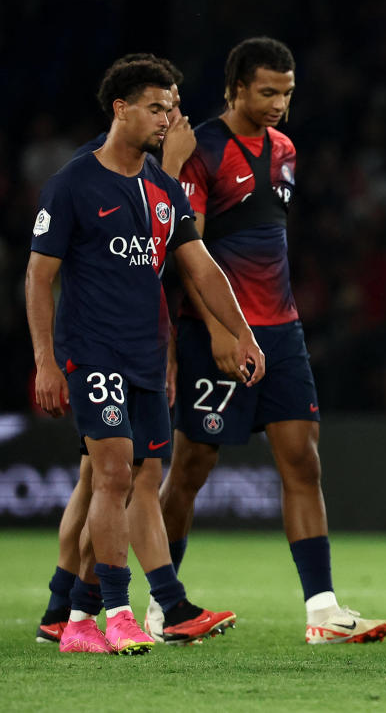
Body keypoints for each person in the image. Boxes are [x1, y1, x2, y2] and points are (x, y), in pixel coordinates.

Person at [157, 37, 386, 644]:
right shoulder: (204, 149)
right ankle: (163, 604)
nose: (279, 104)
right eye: (267, 92)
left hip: (281, 333)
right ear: (235, 87)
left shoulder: (285, 149)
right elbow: (190, 253)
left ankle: (322, 611)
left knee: (303, 462)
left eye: (286, 93)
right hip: (219, 333)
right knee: (190, 467)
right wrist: (216, 331)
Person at [27, 57, 265, 654]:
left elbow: (201, 268)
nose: (168, 119)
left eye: (172, 108)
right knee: (109, 476)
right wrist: (45, 361)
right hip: (93, 353)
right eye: (157, 107)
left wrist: (243, 333)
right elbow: (37, 278)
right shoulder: (74, 183)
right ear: (121, 109)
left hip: (146, 358)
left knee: (144, 479)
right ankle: (115, 613)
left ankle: (135, 608)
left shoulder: (161, 189)